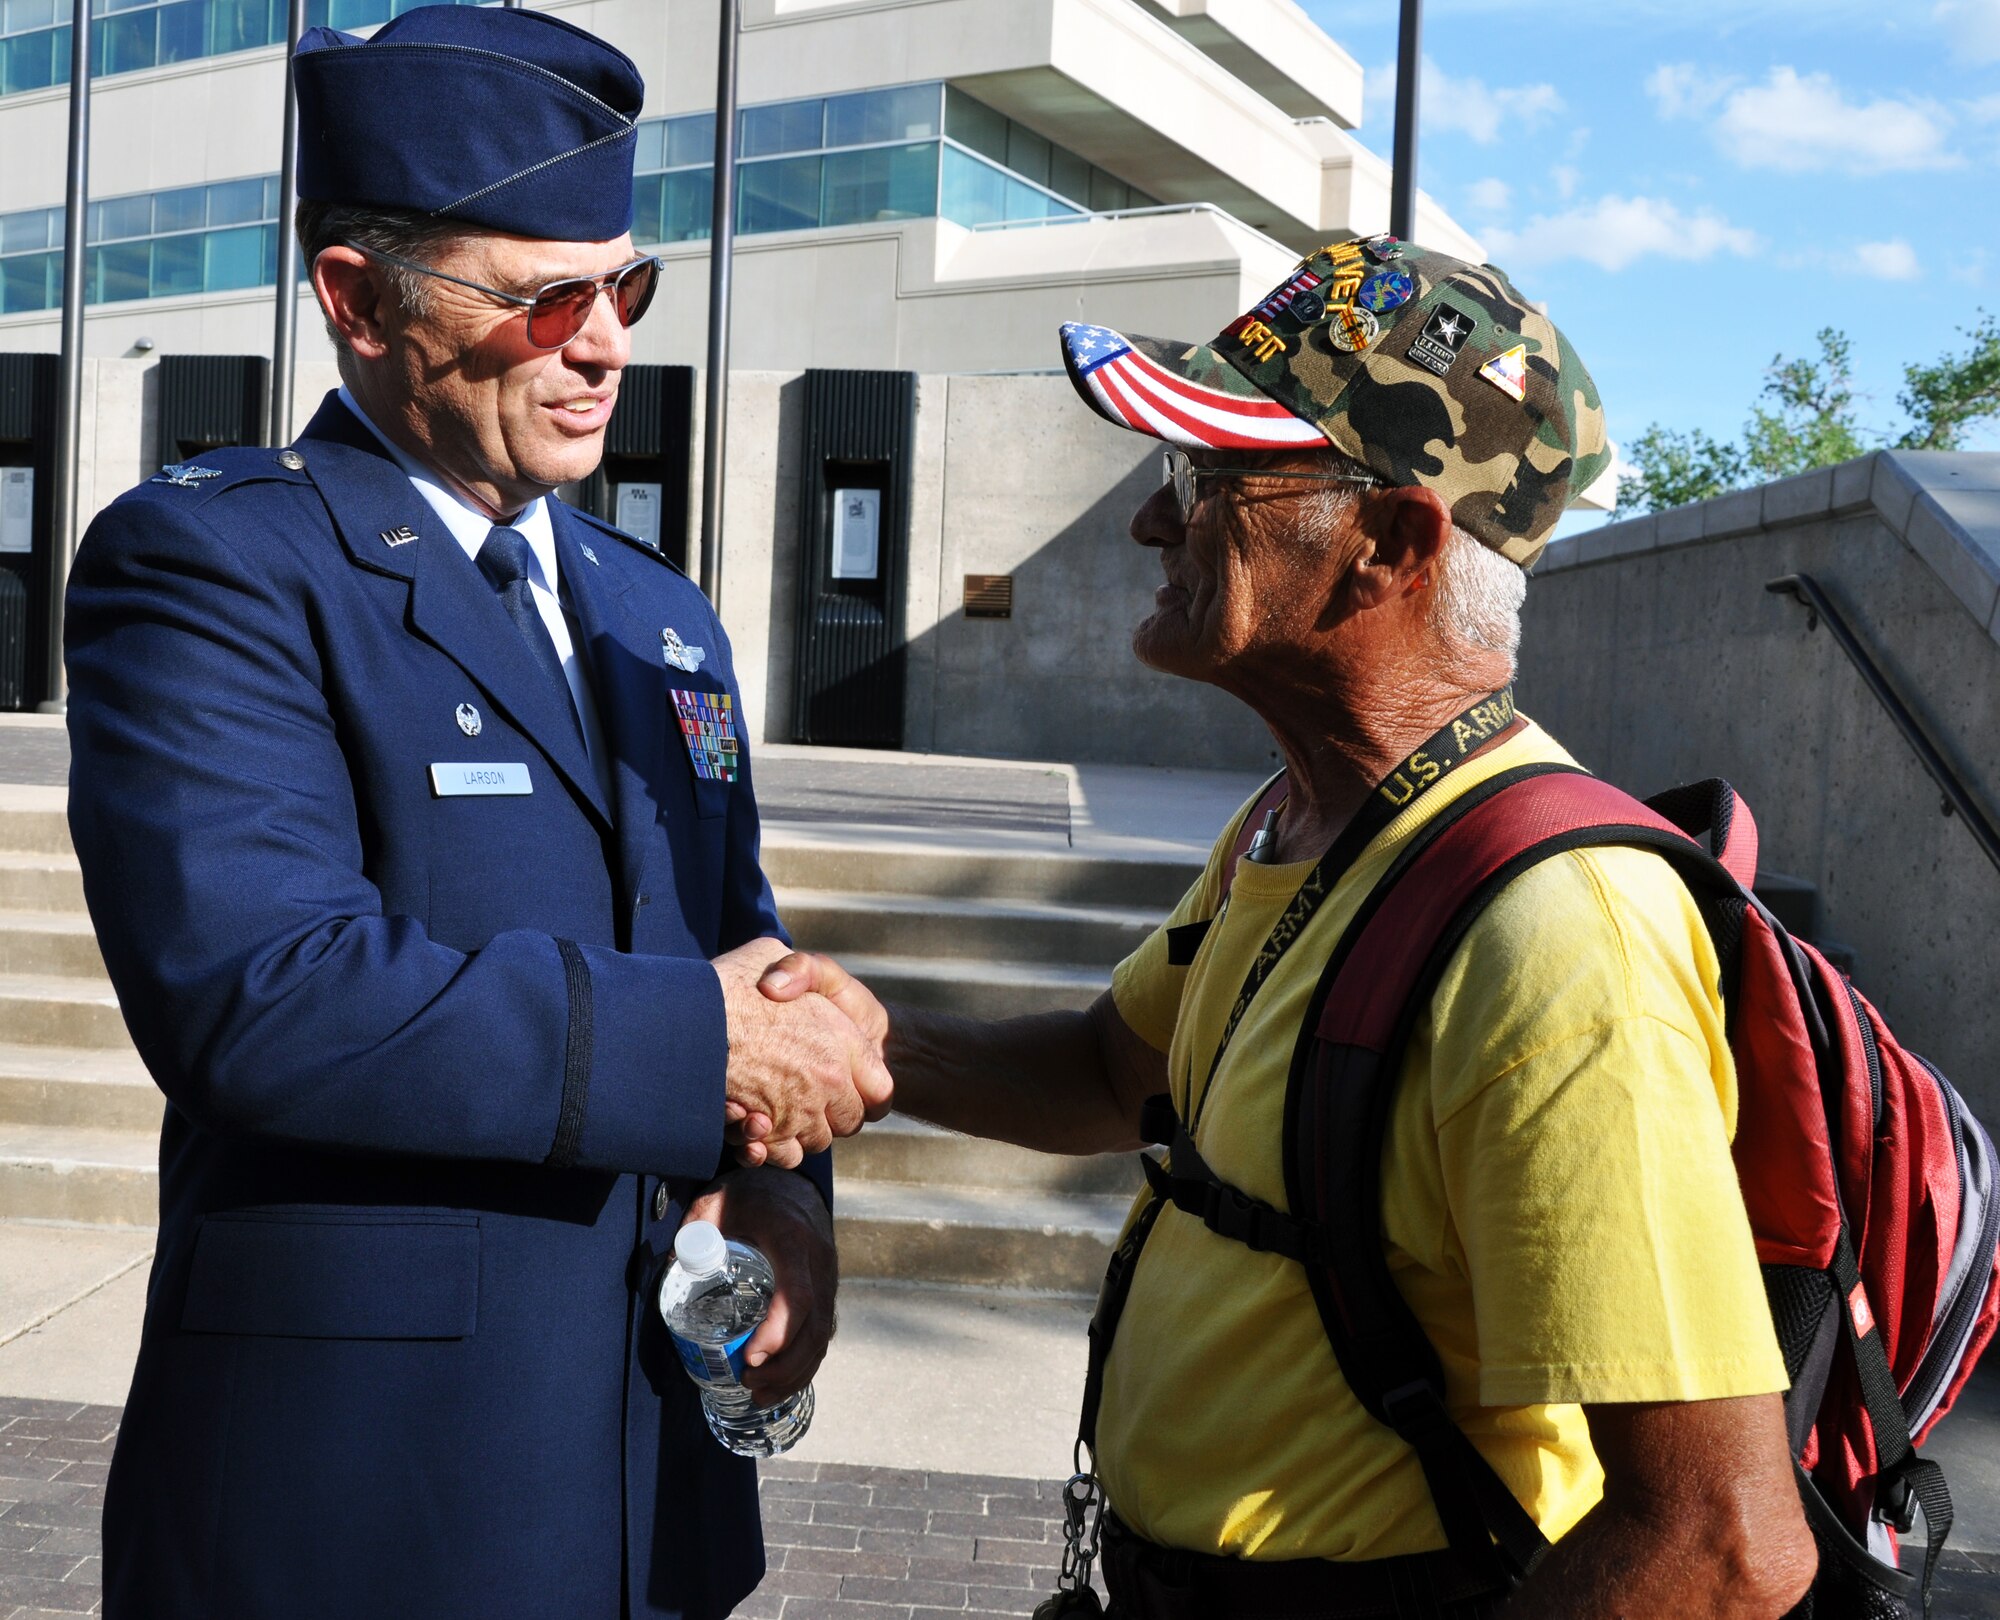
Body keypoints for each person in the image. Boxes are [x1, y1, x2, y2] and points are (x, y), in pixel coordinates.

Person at [758, 240, 1819, 1616]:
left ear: (1390, 545)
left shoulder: (1560, 930)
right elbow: (1105, 1072)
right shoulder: (1307, 818)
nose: (1152, 524)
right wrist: (868, 1040)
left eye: (1211, 482)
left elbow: (1721, 1542)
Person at [64, 9, 887, 1617]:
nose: (605, 344)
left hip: (647, 1486)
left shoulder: (660, 618)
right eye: (542, 299)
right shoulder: (223, 566)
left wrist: (782, 1181)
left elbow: (740, 951)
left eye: (624, 287)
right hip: (364, 1501)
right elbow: (260, 987)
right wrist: (705, 1051)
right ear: (358, 302)